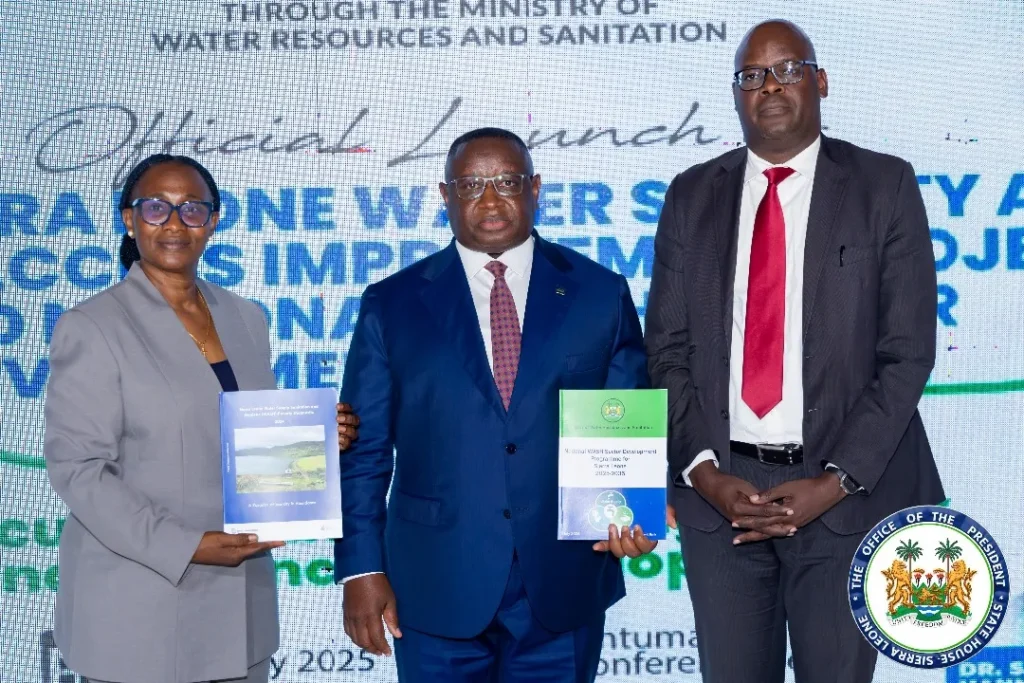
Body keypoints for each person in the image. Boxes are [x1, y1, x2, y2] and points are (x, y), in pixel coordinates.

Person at [645, 20, 945, 683]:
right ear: (737, 95)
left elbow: (907, 353)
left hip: (841, 501)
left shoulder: (884, 186)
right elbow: (665, 351)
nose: (770, 86)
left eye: (787, 69)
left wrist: (834, 483)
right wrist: (703, 473)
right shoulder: (692, 195)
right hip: (722, 499)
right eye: (752, 76)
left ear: (820, 81)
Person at [333, 128, 655, 683]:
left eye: (506, 182)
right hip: (434, 583)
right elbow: (364, 452)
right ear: (445, 195)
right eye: (470, 185)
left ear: (535, 189)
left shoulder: (600, 292)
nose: (489, 199)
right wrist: (361, 567)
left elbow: (623, 415)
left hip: (565, 582)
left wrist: (632, 511)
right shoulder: (391, 303)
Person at [43, 153, 360, 683]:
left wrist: (318, 439)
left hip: (240, 608)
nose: (174, 223)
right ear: (129, 219)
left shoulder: (246, 317)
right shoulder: (92, 326)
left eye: (192, 208)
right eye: (156, 207)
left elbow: (249, 440)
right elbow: (79, 471)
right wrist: (186, 545)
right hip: (139, 604)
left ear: (213, 221)